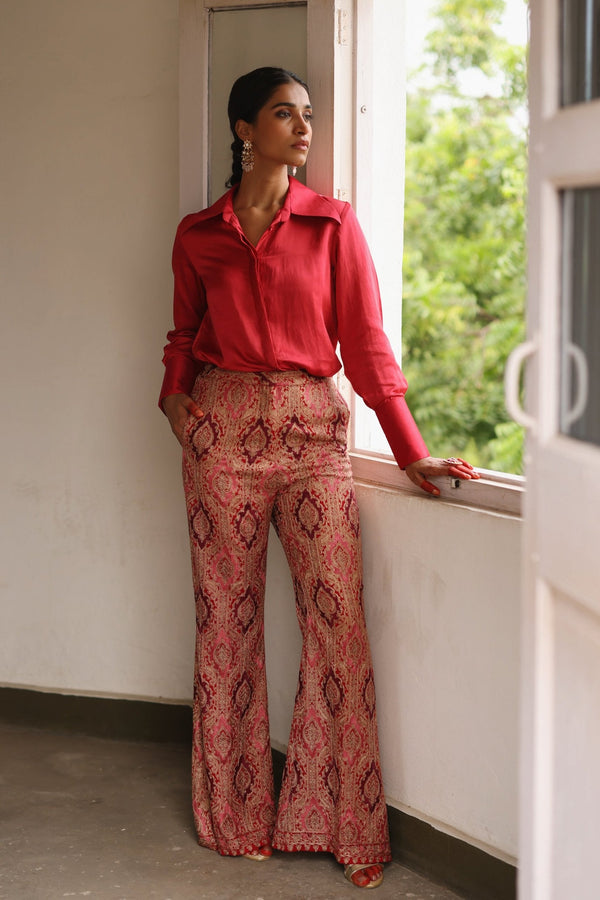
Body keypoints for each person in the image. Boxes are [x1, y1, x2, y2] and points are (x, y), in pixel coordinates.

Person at [160, 66, 479, 891]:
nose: (304, 129)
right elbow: (182, 334)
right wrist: (175, 407)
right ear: (243, 130)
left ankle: (344, 824)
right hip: (222, 433)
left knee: (335, 630)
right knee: (225, 629)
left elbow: (367, 345)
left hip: (313, 436)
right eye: (283, 114)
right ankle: (236, 817)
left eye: (308, 115)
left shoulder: (334, 225)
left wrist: (409, 449)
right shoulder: (198, 234)